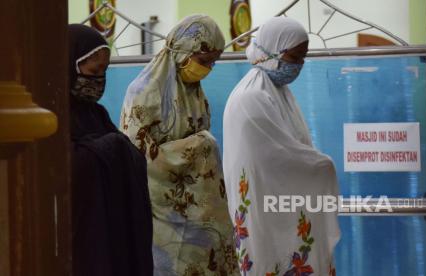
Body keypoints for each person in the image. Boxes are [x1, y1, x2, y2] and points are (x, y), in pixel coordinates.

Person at [120, 15, 239, 275]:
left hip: (202, 218)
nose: (209, 68)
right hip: (163, 222)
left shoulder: (195, 92)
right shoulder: (143, 93)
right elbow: (137, 159)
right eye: (204, 60)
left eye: (214, 62)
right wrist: (198, 147)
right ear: (183, 51)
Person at [223, 17, 340, 276]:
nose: (298, 65)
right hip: (263, 211)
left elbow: (290, 148)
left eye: (303, 57)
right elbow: (276, 159)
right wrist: (321, 166)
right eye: (295, 56)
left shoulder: (279, 92)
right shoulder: (251, 97)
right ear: (274, 49)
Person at [69, 24, 153, 276]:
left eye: (105, 71)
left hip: (111, 229)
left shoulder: (97, 114)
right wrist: (109, 148)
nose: (99, 80)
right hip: (83, 236)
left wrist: (113, 149)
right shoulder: (51, 114)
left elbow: (130, 156)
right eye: (94, 71)